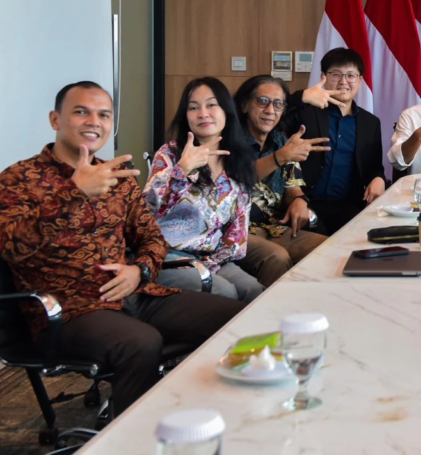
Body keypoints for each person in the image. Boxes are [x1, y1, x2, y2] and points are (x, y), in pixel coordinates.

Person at [0, 82, 244, 416]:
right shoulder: (19, 178)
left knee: (235, 318)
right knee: (140, 343)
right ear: (55, 119)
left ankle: (206, 421)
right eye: (81, 112)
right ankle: (134, 436)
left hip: (135, 294)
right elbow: (11, 246)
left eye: (104, 115)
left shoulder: (118, 178)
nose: (94, 122)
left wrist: (139, 270)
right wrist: (74, 193)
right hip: (70, 310)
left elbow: (152, 238)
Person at [145, 78, 263, 303]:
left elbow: (237, 232)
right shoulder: (170, 154)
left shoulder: (239, 161)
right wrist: (182, 170)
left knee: (254, 291)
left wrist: (210, 263)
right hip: (164, 255)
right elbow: (146, 209)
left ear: (226, 111)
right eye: (193, 107)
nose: (202, 113)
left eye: (211, 105)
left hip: (212, 257)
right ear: (185, 116)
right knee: (224, 292)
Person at [233, 76, 328, 287]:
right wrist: (281, 157)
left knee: (326, 249)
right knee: (277, 257)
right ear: (245, 105)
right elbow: (237, 180)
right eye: (262, 101)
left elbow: (293, 187)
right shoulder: (229, 141)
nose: (270, 110)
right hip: (237, 231)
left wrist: (299, 201)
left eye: (278, 104)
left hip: (273, 228)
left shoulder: (281, 141)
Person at [282, 48, 387, 234]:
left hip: (349, 206)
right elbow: (273, 119)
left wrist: (379, 178)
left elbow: (374, 166)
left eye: (351, 75)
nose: (343, 81)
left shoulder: (370, 123)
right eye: (336, 74)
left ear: (360, 80)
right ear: (323, 77)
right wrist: (303, 96)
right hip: (304, 202)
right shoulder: (305, 112)